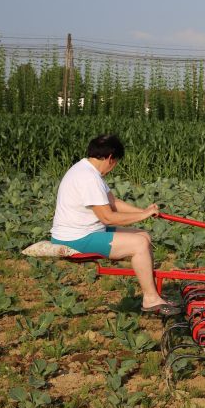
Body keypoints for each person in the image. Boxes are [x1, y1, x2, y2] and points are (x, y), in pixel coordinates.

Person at [49, 134, 179, 316]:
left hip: (86, 230)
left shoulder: (87, 170)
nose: (114, 167)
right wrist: (142, 216)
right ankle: (150, 299)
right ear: (110, 158)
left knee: (143, 236)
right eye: (116, 162)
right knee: (139, 244)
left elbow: (112, 202)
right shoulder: (88, 178)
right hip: (75, 239)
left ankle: (153, 294)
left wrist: (143, 210)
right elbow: (108, 218)